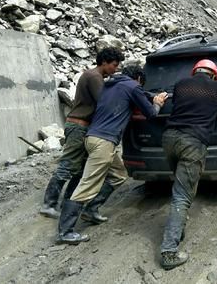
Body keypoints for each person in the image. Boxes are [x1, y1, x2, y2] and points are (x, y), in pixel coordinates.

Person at [56, 65, 168, 244]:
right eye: (140, 84)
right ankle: (65, 231)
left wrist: (147, 95)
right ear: (138, 79)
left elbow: (135, 94)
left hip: (93, 137)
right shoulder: (133, 87)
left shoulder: (111, 84)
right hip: (104, 142)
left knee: (118, 174)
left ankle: (91, 210)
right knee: (88, 184)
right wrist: (158, 103)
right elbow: (151, 114)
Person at [159, 59, 217, 270]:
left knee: (179, 186)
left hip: (169, 139)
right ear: (214, 75)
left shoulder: (181, 83)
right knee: (182, 196)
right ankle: (168, 252)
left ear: (195, 72)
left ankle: (177, 227)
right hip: (192, 143)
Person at [40, 47, 125, 219]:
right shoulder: (94, 77)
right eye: (114, 65)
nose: (115, 69)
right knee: (68, 165)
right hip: (79, 126)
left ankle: (67, 203)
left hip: (83, 127)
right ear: (104, 62)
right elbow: (104, 102)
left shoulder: (95, 76)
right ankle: (49, 205)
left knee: (79, 169)